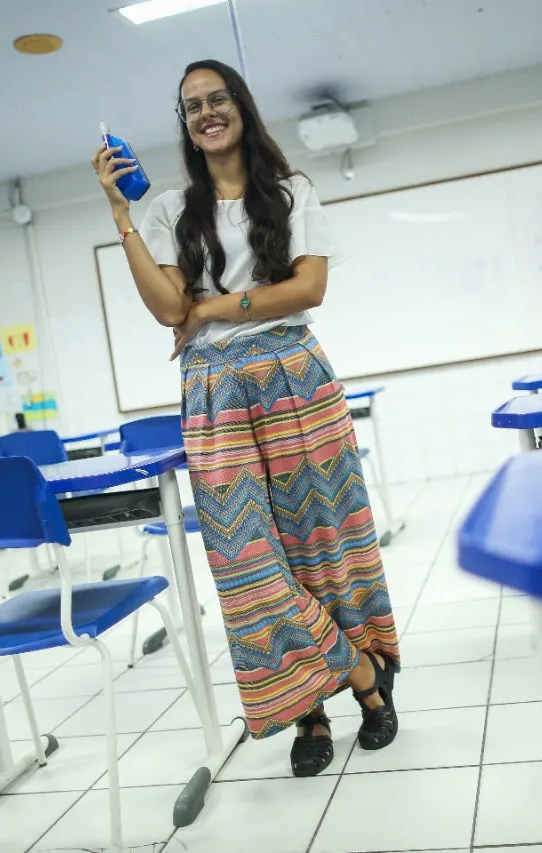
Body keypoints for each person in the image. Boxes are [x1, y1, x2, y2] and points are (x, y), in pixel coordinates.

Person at [92, 59, 400, 777]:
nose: (204, 111)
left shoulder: (291, 192)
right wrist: (120, 217)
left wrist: (211, 307)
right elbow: (169, 309)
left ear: (240, 107)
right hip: (213, 393)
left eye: (216, 98)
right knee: (248, 562)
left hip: (295, 378)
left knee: (320, 544)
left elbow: (309, 288)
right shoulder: (168, 210)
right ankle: (354, 676)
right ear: (186, 126)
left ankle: (328, 710)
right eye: (191, 105)